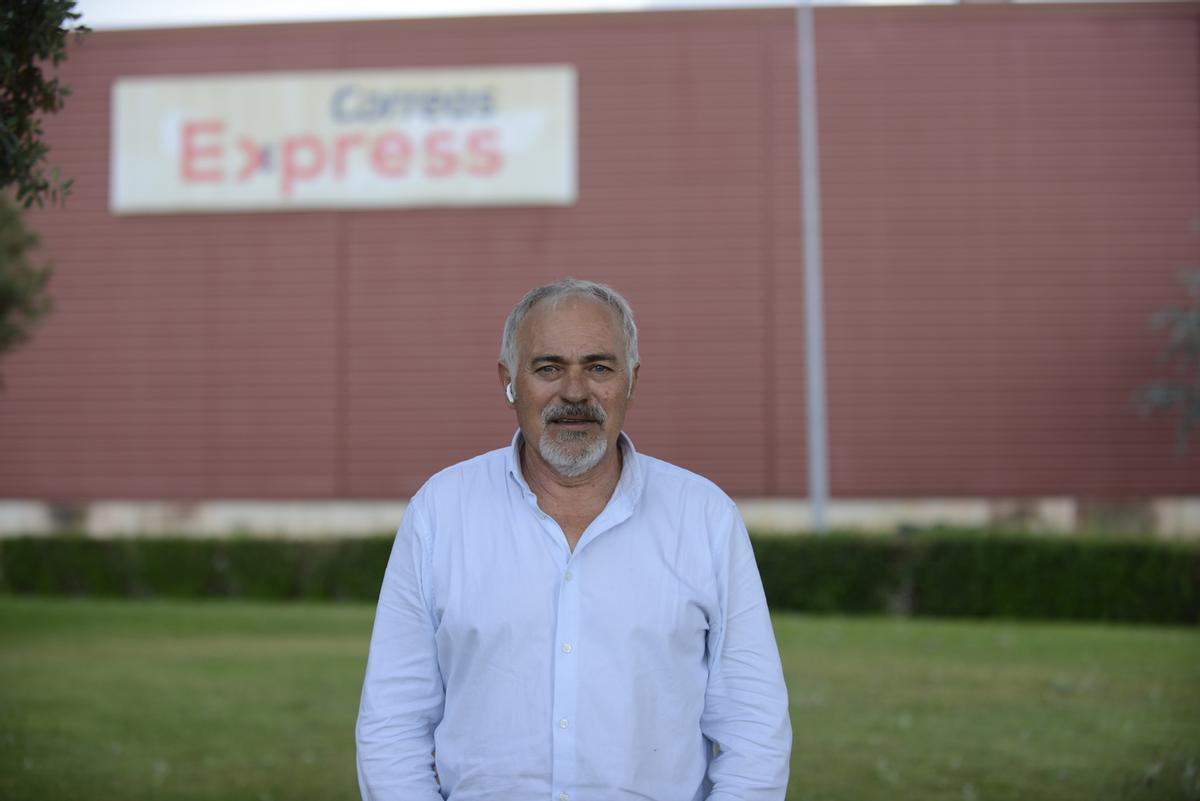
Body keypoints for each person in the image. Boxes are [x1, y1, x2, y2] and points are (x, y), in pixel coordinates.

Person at [355, 278, 791, 801]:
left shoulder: (704, 518)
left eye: (599, 367)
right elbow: (393, 721)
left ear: (631, 380)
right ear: (509, 381)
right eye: (549, 368)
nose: (575, 392)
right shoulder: (440, 513)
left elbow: (754, 729)